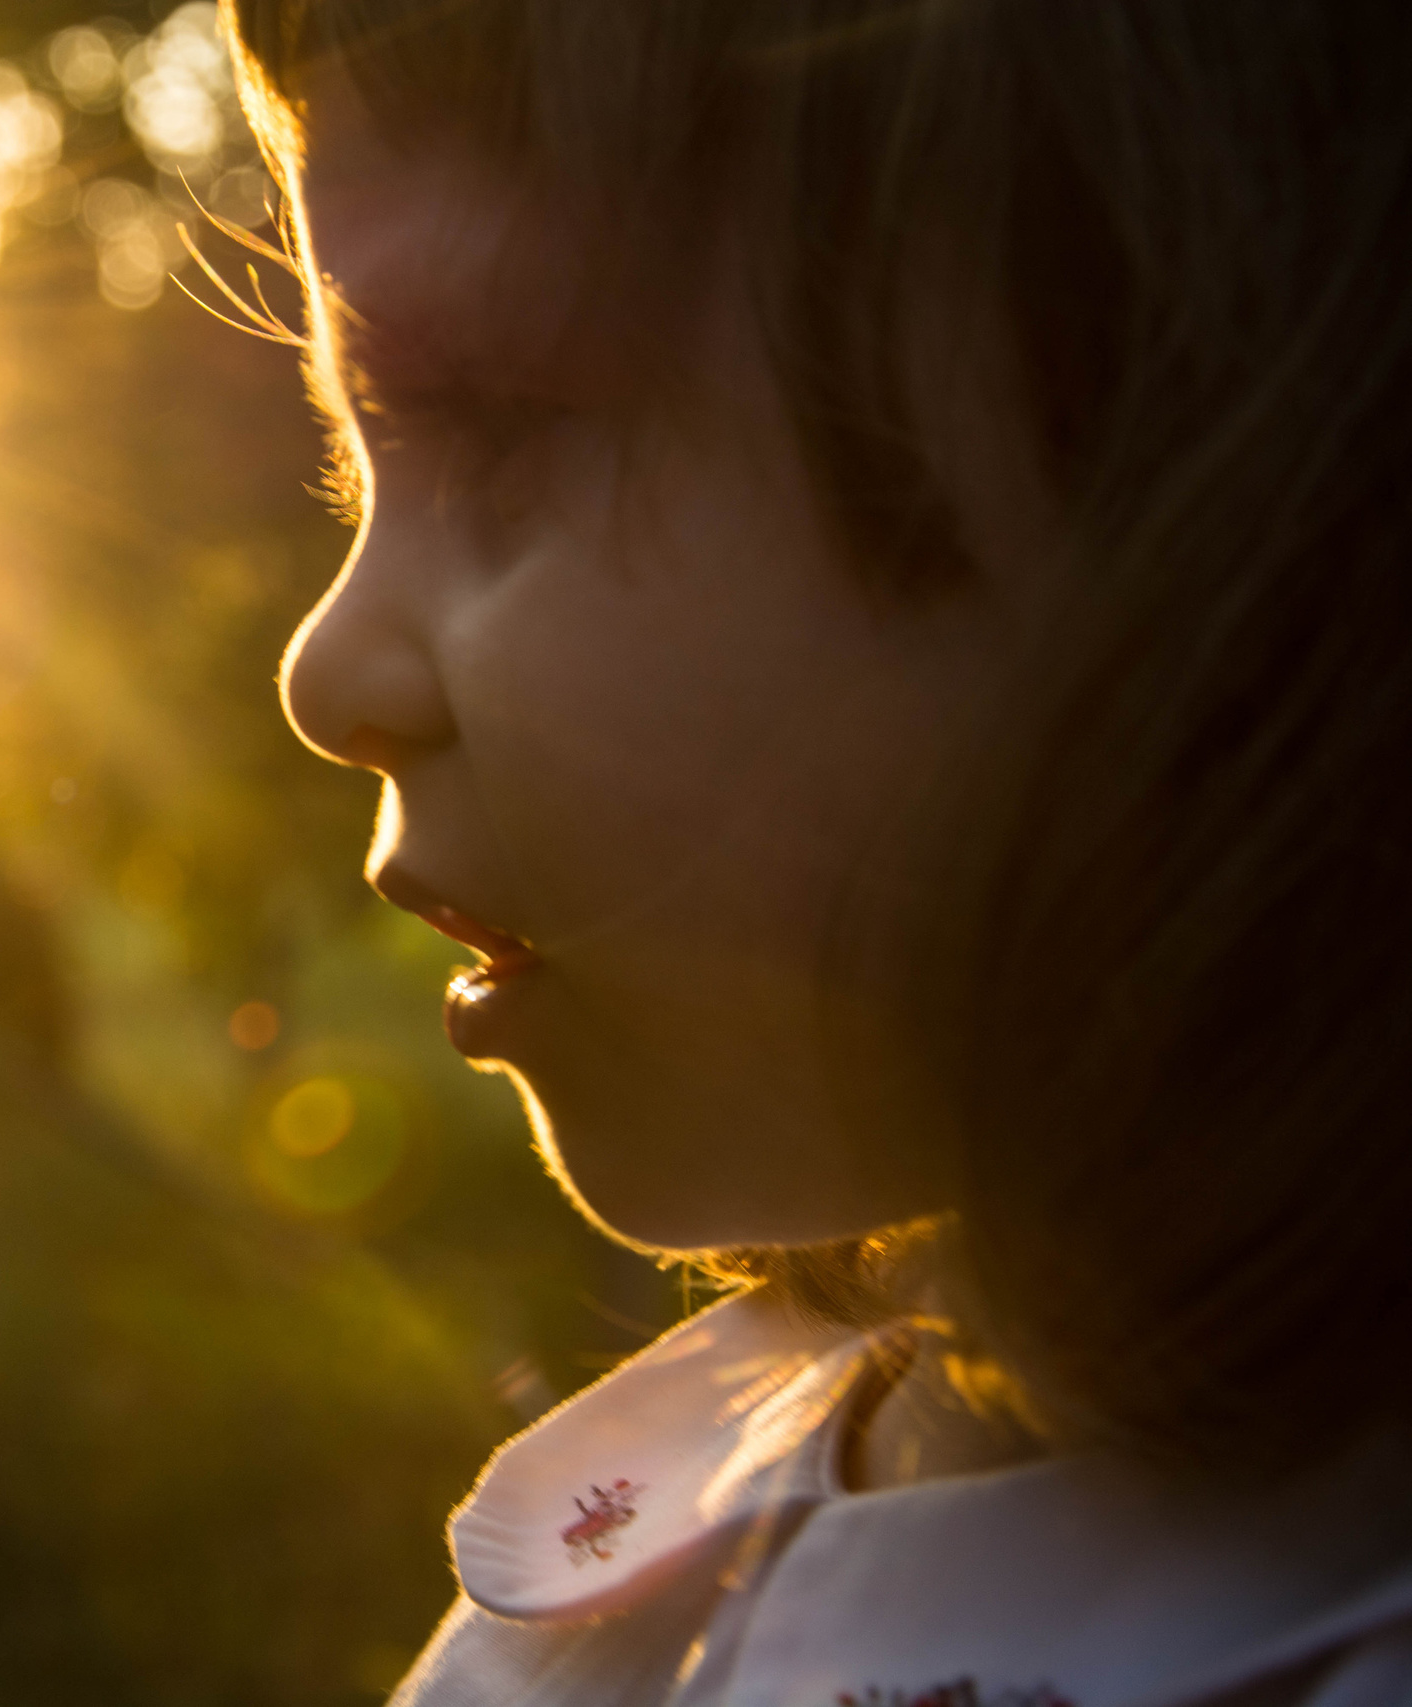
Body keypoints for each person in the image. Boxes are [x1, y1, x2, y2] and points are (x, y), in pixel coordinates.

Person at [220, 1, 1412, 1701]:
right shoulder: (605, 1593)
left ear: (1230, 429)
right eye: (355, 471)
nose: (325, 678)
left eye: (486, 415)